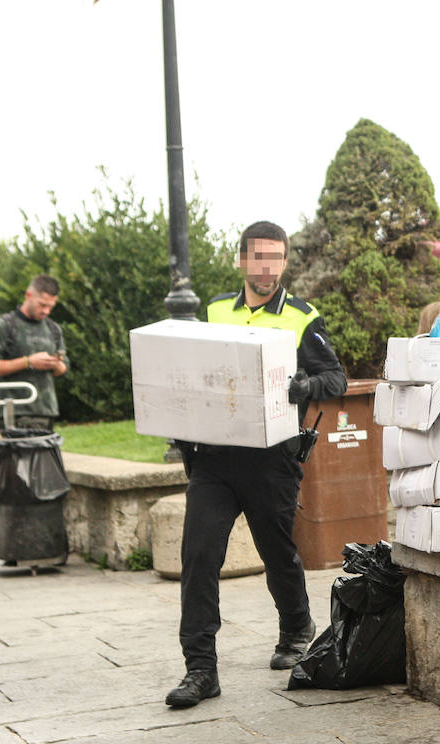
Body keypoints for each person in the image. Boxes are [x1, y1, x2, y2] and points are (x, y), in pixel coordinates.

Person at [166, 221, 348, 709]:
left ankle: (296, 627)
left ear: (285, 262)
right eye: (259, 257)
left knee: (276, 551)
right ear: (241, 260)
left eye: (276, 257)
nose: (268, 267)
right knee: (199, 557)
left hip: (272, 460)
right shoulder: (213, 311)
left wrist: (306, 386)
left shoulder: (303, 318)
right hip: (214, 460)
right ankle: (200, 670)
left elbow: (337, 379)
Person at [0, 275, 68, 431]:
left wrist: (56, 364)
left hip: (46, 411)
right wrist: (29, 362)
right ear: (29, 295)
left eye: (50, 307)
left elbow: (64, 368)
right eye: (42, 305)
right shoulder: (5, 326)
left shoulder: (53, 329)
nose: (46, 311)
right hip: (13, 411)